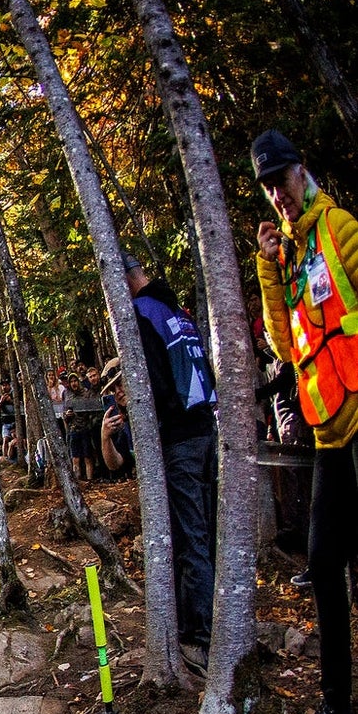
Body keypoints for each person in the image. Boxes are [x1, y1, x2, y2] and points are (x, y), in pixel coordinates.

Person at [254, 130, 358, 714]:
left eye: (282, 180)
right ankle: (337, 705)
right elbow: (284, 345)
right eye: (268, 187)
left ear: (303, 172)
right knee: (321, 563)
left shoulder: (340, 229)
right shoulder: (290, 257)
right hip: (328, 434)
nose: (278, 194)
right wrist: (269, 267)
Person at [118, 250, 218, 665]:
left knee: (190, 535)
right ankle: (201, 625)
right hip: (205, 429)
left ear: (124, 279)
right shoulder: (175, 310)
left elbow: (155, 384)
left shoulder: (142, 314)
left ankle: (200, 637)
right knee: (203, 530)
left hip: (179, 437)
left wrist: (141, 431)